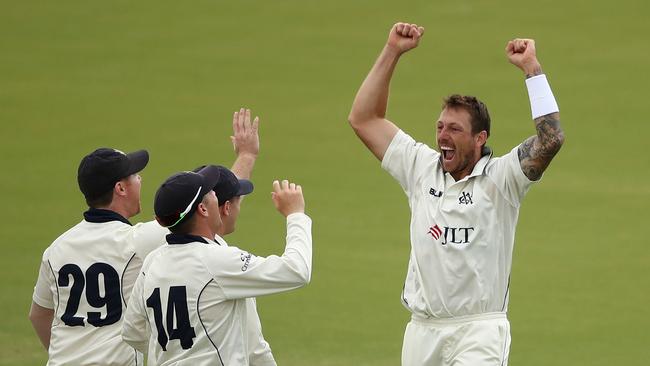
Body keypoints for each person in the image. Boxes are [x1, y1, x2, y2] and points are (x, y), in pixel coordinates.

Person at [347, 22, 564, 365]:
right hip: (422, 331)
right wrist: (392, 51)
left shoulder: (503, 178)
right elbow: (364, 118)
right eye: (440, 127)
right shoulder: (420, 167)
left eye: (455, 129)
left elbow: (551, 140)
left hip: (478, 331)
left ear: (480, 138)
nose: (442, 136)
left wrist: (532, 70)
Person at [29, 108, 260, 365]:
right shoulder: (137, 241)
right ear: (120, 188)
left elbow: (39, 316)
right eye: (135, 175)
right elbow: (213, 210)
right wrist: (246, 156)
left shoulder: (56, 249)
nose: (140, 179)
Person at [121, 166, 312, 366]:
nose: (215, 195)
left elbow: (132, 332)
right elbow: (297, 270)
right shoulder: (218, 260)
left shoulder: (152, 261)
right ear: (202, 209)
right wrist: (296, 214)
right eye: (211, 192)